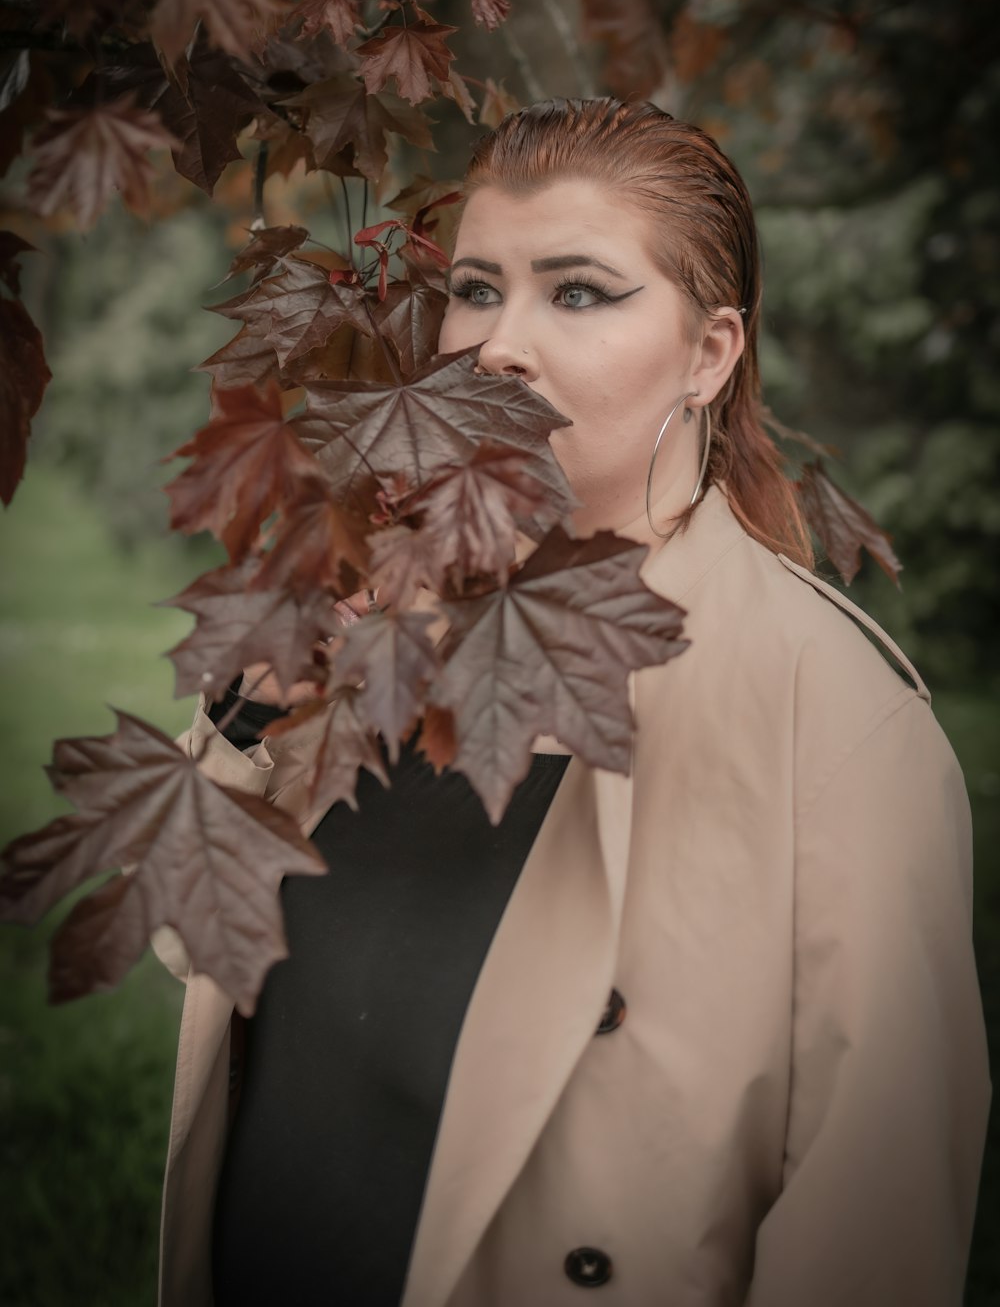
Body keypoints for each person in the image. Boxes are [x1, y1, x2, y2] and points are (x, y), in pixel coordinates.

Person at [156, 97, 991, 1307]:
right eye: (480, 288)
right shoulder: (368, 616)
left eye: (580, 292)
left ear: (710, 353)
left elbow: (877, 1229)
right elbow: (193, 960)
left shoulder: (838, 726)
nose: (497, 346)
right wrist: (242, 724)